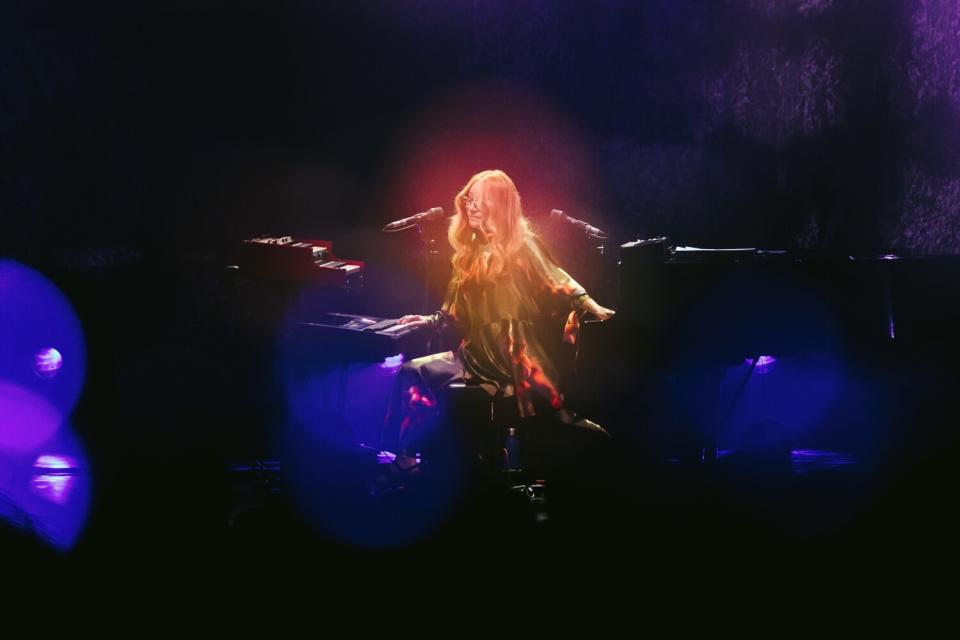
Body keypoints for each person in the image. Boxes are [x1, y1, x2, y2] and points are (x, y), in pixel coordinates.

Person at [382, 170, 616, 468]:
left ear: (501, 205)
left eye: (481, 201)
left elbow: (558, 278)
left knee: (557, 417)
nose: (471, 206)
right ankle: (403, 457)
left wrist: (594, 307)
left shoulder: (524, 244)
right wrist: (426, 320)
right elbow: (452, 312)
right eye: (469, 199)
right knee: (411, 371)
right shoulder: (467, 254)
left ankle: (594, 457)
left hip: (517, 354)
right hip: (475, 355)